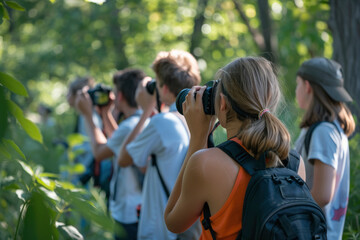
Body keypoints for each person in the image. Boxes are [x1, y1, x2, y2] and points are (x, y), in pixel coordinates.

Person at [164, 56, 306, 239]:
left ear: (222, 104)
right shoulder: (294, 163)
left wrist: (198, 138)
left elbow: (172, 222)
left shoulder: (205, 164)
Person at [117, 49, 202, 240]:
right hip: (186, 227)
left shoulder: (162, 123)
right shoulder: (195, 121)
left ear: (163, 88)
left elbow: (123, 159)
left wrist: (146, 109)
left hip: (160, 231)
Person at [74, 69, 146, 240]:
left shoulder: (129, 126)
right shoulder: (137, 122)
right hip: (138, 207)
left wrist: (88, 115)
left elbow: (100, 152)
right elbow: (118, 142)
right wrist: (106, 113)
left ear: (119, 96)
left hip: (128, 212)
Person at [294, 57, 355, 240]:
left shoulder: (323, 131)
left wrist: (286, 208)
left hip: (312, 233)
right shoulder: (332, 128)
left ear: (307, 87)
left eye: (297, 84)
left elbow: (322, 194)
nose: (296, 90)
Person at [66, 76, 103, 186]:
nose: (66, 97)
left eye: (69, 93)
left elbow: (92, 146)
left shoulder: (88, 117)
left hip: (86, 173)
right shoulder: (82, 116)